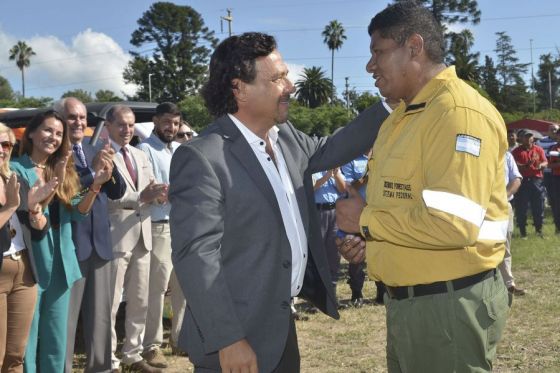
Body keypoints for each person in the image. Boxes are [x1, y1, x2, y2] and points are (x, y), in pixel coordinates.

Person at [169, 32, 386, 372]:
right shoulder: (202, 158)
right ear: (239, 88)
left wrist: (389, 105)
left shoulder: (285, 138)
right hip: (234, 340)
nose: (290, 86)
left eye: (286, 75)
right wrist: (228, 339)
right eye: (277, 78)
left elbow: (332, 148)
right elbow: (196, 257)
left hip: (279, 328)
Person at [336, 2, 509, 371]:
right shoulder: (405, 115)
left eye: (377, 52)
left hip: (447, 306)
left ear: (414, 47)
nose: (370, 66)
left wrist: (366, 222)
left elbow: (453, 224)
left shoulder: (456, 114)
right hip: (416, 304)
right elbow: (409, 204)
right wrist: (374, 244)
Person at [11, 110, 112, 373]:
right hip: (30, 264)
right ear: (31, 133)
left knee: (57, 339)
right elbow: (26, 211)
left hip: (62, 264)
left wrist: (95, 186)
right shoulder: (14, 169)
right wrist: (51, 182)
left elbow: (76, 210)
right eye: (47, 130)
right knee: (27, 342)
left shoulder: (65, 171)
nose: (53, 137)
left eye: (58, 133)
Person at [54, 98, 126, 373]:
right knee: (66, 321)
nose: (79, 123)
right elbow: (68, 199)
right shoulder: (53, 154)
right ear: (59, 118)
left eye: (83, 118)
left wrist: (111, 168)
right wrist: (93, 175)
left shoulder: (93, 148)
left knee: (100, 320)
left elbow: (116, 191)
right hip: (70, 248)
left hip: (100, 246)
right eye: (72, 117)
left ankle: (100, 368)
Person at [105, 105, 167, 373]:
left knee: (140, 299)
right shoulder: (102, 154)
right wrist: (141, 197)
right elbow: (106, 198)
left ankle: (132, 353)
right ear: (108, 126)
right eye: (121, 124)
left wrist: (159, 193)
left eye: (130, 125)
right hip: (115, 239)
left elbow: (149, 186)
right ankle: (109, 359)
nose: (127, 130)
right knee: (110, 303)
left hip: (143, 236)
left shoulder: (140, 154)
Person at [0, 123, 55, 372]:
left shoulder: (15, 176)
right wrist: (11, 205)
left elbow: (39, 229)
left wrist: (34, 208)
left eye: (6, 144)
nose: (1, 149)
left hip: (25, 269)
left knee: (15, 355)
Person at [136, 102, 183, 368]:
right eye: (167, 122)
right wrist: (176, 192)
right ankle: (151, 345)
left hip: (182, 224)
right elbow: (156, 191)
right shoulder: (145, 150)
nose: (171, 127)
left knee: (183, 285)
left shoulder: (178, 149)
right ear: (155, 121)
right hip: (159, 226)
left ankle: (179, 337)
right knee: (157, 289)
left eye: (176, 123)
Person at [312, 168, 346, 297]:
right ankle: (317, 297)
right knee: (318, 254)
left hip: (335, 212)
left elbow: (343, 190)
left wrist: (336, 174)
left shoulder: (335, 167)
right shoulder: (312, 166)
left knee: (334, 254)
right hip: (318, 212)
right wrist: (327, 176)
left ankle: (331, 295)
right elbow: (311, 186)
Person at [511, 130, 547, 238]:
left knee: (538, 206)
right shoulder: (516, 151)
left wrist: (541, 165)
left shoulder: (538, 149)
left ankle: (539, 231)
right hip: (523, 181)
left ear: (533, 138)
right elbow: (515, 166)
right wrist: (526, 165)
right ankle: (523, 232)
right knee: (521, 207)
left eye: (530, 136)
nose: (528, 138)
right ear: (520, 138)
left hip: (536, 181)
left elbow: (545, 161)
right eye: (525, 137)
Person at [499, 151, 525, 297]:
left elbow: (516, 179)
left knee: (505, 246)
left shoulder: (507, 155)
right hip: (478, 206)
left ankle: (508, 285)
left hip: (503, 206)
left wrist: (504, 196)